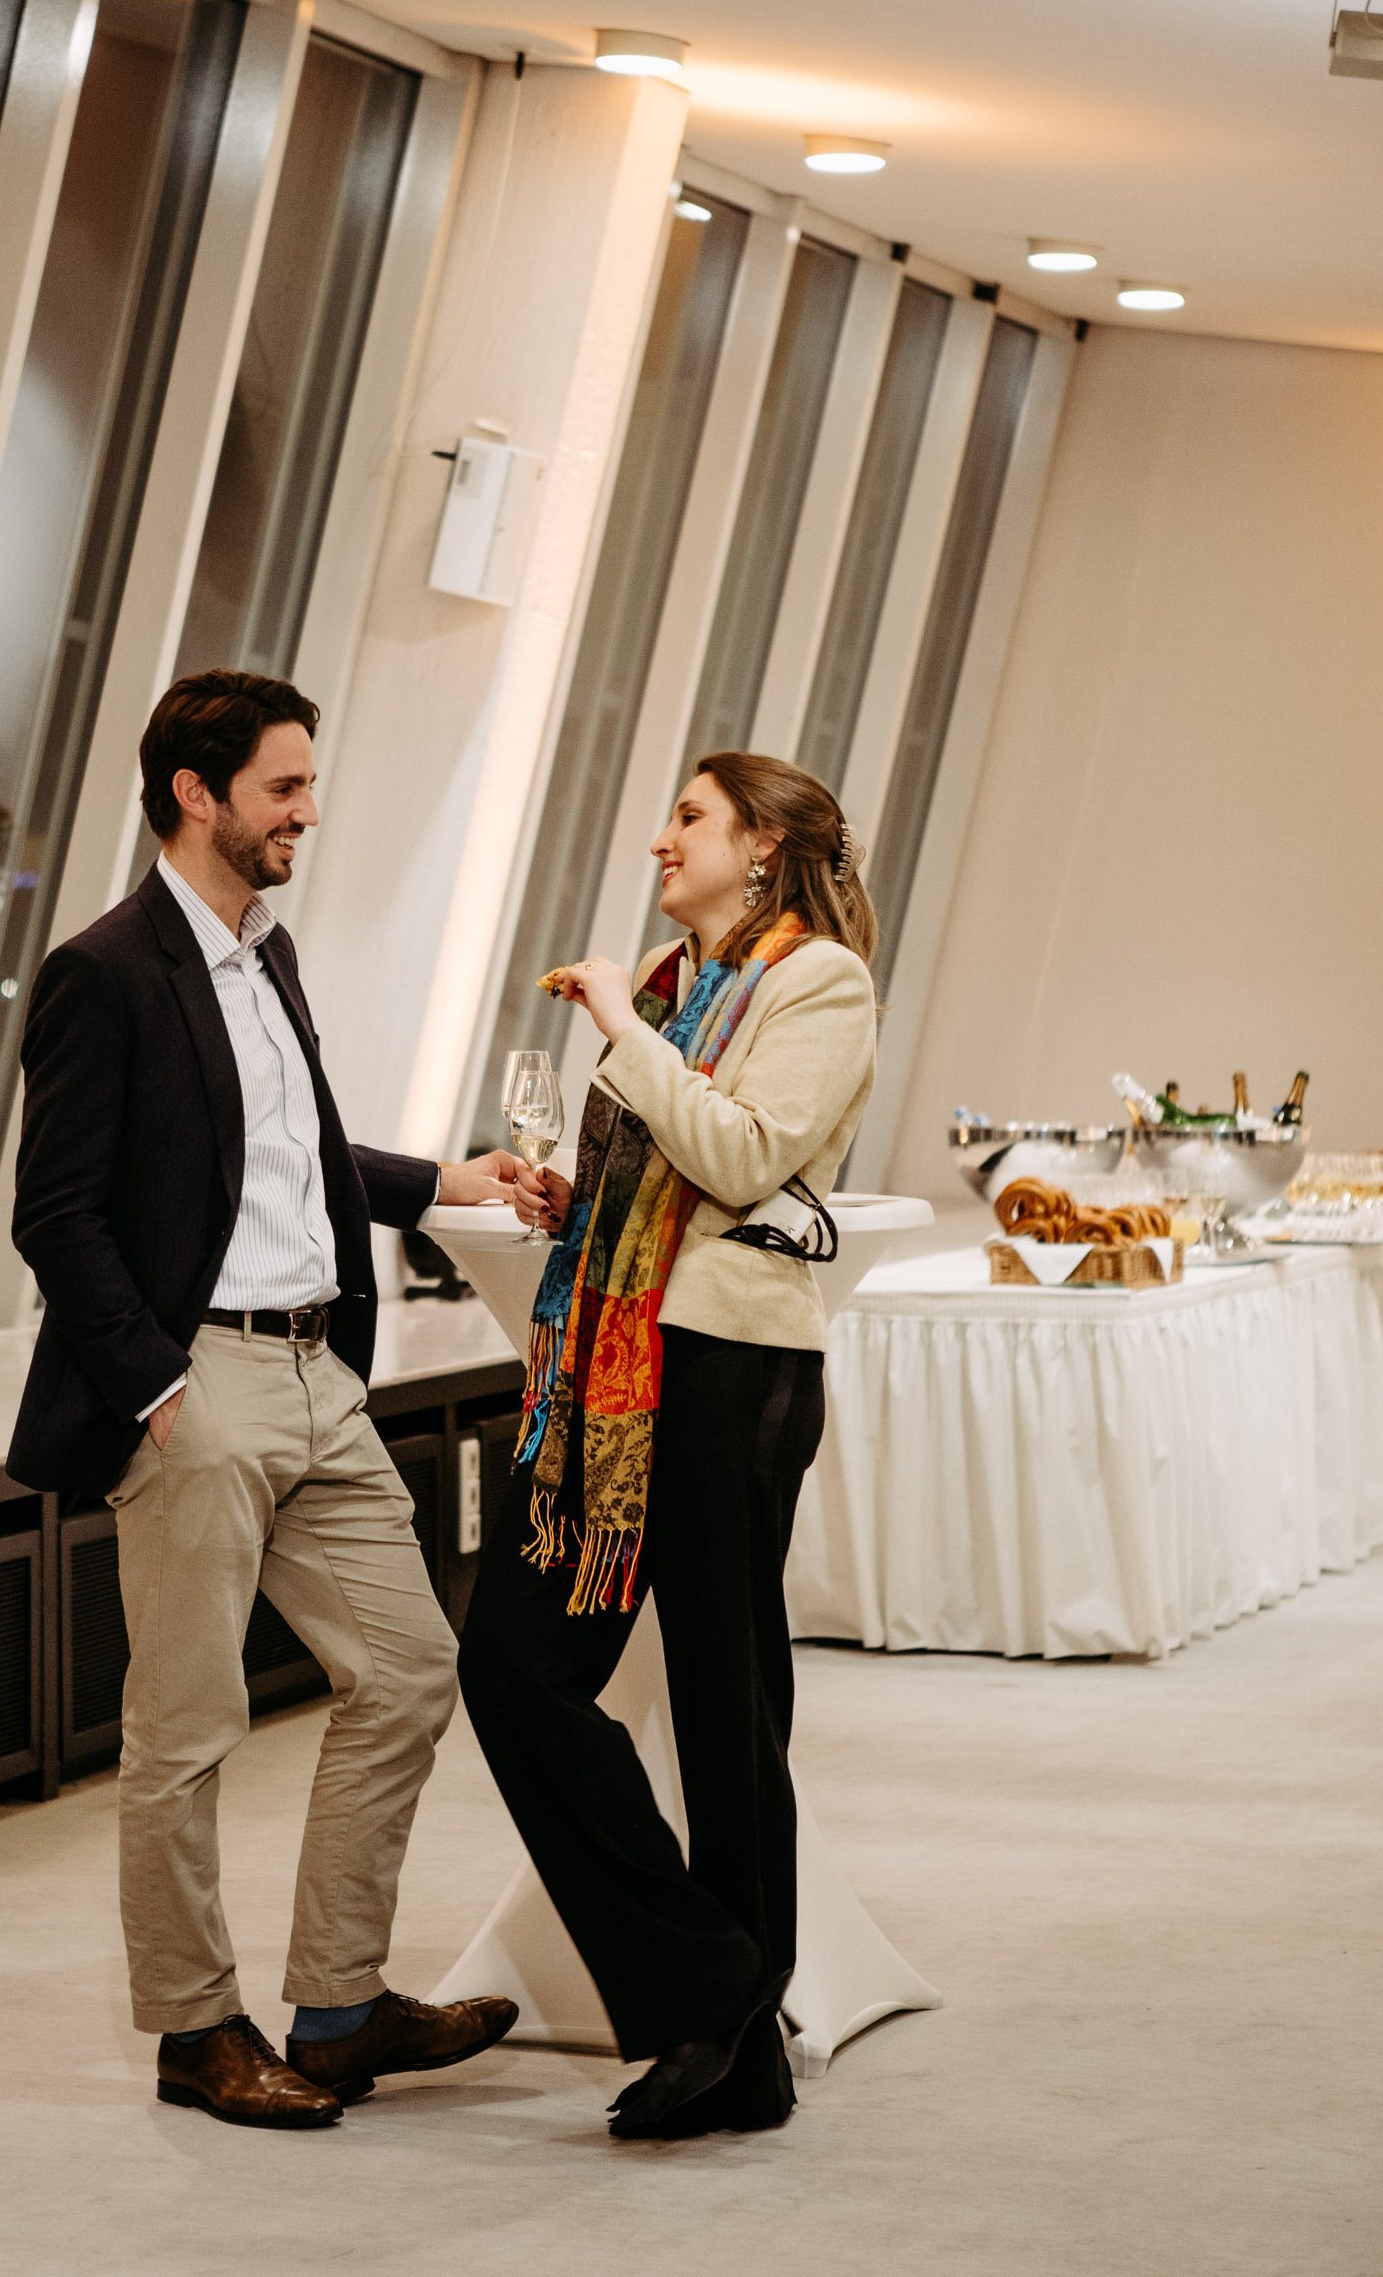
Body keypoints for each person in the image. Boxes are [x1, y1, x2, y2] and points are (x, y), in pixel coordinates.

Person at [7, 668, 520, 2130]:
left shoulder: (265, 953)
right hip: (201, 1381)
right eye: (283, 786)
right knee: (184, 1727)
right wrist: (157, 1384)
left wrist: (441, 1182)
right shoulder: (105, 972)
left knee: (410, 1670)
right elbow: (54, 1213)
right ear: (197, 794)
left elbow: (281, 1152)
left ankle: (340, 2010)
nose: (307, 810)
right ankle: (194, 2029)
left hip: (318, 1370)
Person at [457, 751, 879, 2142]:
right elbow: (657, 1173)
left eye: (689, 817)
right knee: (512, 1666)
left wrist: (617, 1031)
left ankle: (735, 2053)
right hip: (614, 1368)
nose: (659, 839)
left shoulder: (819, 982)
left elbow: (744, 1156)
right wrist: (570, 1195)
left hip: (731, 1369)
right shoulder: (665, 981)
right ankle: (713, 1983)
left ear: (759, 846)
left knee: (723, 1700)